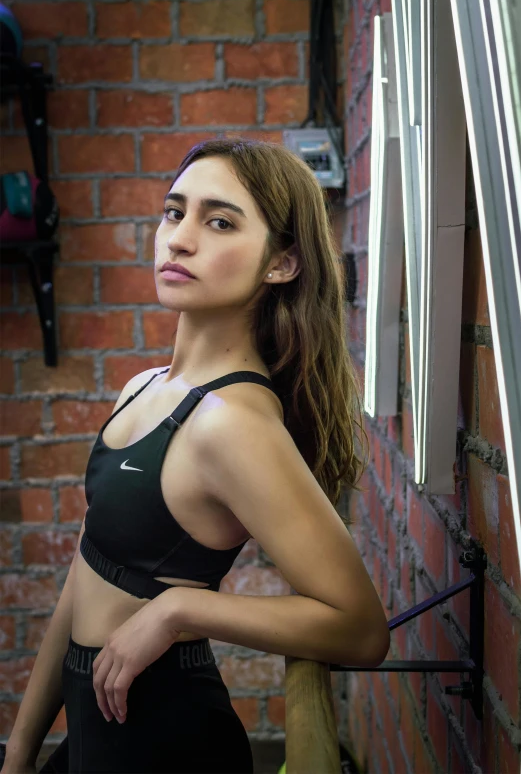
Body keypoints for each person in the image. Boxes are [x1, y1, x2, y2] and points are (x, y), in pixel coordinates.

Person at [3, 138, 390, 774]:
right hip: (91, 735)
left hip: (165, 740)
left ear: (282, 263)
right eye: (173, 212)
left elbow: (360, 628)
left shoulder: (233, 423)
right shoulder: (144, 388)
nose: (179, 239)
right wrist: (20, 753)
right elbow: (84, 572)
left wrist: (181, 608)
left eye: (219, 222)